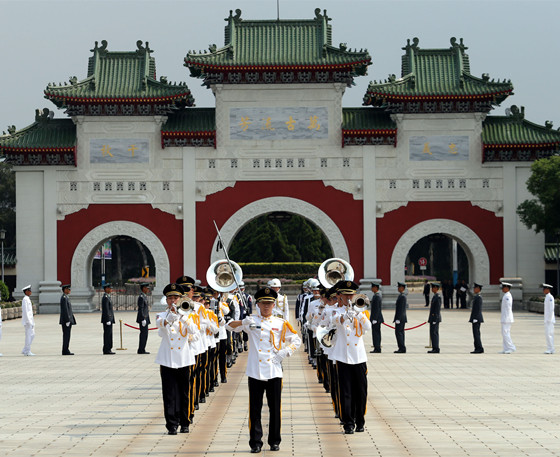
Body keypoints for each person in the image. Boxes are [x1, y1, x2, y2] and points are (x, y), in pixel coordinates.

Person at [228, 287, 301, 453]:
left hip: (274, 370)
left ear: (274, 304)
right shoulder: (251, 320)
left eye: (269, 303)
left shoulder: (280, 323)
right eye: (263, 303)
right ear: (258, 304)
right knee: (255, 409)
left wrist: (285, 352)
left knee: (275, 408)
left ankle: (274, 441)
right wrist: (243, 322)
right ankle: (255, 442)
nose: (266, 306)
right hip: (255, 371)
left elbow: (296, 340)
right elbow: (228, 326)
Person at [155, 283, 197, 435]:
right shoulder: (161, 315)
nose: (173, 301)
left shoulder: (189, 314)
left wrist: (183, 317)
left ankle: (185, 422)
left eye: (176, 298)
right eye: (170, 298)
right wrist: (171, 317)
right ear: (166, 300)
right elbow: (161, 325)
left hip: (184, 359)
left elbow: (193, 330)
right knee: (169, 394)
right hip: (167, 359)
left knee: (184, 393)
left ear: (181, 299)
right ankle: (171, 424)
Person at [330, 280, 371, 434]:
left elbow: (368, 327)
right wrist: (346, 315)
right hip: (343, 357)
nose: (348, 298)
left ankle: (360, 420)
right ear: (339, 295)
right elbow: (335, 321)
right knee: (345, 391)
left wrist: (358, 314)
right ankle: (348, 422)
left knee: (360, 391)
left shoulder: (362, 311)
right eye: (346, 295)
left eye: (351, 295)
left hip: (359, 356)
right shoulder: (335, 310)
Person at [59, 284, 76, 355]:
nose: (69, 290)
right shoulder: (64, 298)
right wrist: (67, 320)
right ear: (65, 290)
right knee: (66, 335)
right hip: (66, 321)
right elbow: (65, 310)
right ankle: (65, 350)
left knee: (67, 335)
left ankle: (66, 349)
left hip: (68, 320)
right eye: (68, 289)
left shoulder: (66, 297)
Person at [500, 282, 515, 354]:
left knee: (506, 333)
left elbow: (508, 307)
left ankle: (511, 347)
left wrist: (506, 318)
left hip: (507, 318)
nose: (502, 289)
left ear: (506, 288)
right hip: (505, 317)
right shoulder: (506, 295)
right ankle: (506, 348)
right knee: (504, 333)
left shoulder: (508, 296)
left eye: (503, 287)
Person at [468, 283, 484, 353]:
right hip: (475, 318)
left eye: (475, 288)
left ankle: (479, 348)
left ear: (478, 289)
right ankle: (477, 347)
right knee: (475, 333)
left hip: (476, 318)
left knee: (476, 334)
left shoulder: (478, 297)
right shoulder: (476, 297)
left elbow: (478, 309)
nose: (474, 289)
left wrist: (475, 318)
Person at [136, 283, 151, 354]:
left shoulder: (144, 296)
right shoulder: (141, 297)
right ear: (143, 288)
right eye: (147, 288)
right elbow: (141, 309)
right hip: (143, 318)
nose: (148, 289)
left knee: (145, 334)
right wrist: (143, 319)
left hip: (145, 318)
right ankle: (141, 349)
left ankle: (142, 348)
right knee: (143, 334)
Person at [21, 285, 36, 356]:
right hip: (28, 322)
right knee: (28, 336)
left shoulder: (27, 299)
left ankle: (25, 349)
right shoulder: (25, 299)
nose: (31, 292)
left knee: (32, 335)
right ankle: (27, 351)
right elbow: (26, 311)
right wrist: (28, 321)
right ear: (26, 291)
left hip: (30, 321)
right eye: (29, 291)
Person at [369, 282, 384, 353]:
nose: (371, 288)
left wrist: (374, 318)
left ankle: (377, 348)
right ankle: (376, 347)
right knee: (375, 333)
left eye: (372, 287)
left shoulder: (377, 296)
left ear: (375, 288)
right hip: (376, 318)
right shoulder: (376, 295)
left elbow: (377, 309)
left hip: (377, 319)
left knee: (376, 334)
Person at [427, 282, 442, 353]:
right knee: (432, 333)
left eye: (433, 288)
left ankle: (436, 348)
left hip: (435, 318)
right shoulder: (435, 296)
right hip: (433, 318)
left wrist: (435, 319)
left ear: (436, 288)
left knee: (434, 333)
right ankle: (434, 347)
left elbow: (437, 309)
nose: (431, 289)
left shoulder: (438, 297)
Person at [101, 283, 115, 354]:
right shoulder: (105, 297)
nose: (111, 289)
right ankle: (106, 349)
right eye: (110, 288)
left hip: (110, 319)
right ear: (106, 289)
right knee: (107, 334)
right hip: (107, 319)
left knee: (109, 334)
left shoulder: (108, 297)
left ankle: (109, 348)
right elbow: (106, 310)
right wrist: (108, 319)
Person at [393, 282, 407, 353]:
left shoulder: (402, 296)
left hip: (400, 318)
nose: (398, 288)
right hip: (400, 318)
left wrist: (398, 319)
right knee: (399, 333)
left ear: (402, 288)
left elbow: (401, 309)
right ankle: (401, 347)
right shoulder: (401, 296)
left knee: (399, 333)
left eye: (399, 287)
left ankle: (402, 348)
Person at [542, 283, 556, 354]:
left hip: (549, 320)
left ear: (548, 289)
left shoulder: (550, 297)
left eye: (544, 289)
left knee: (549, 334)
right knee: (548, 334)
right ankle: (550, 348)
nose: (543, 290)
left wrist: (549, 319)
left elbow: (551, 309)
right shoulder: (547, 297)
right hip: (547, 319)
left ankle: (551, 349)